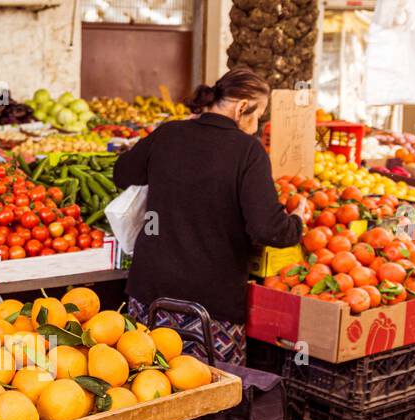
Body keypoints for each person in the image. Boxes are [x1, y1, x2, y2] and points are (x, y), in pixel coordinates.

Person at [112, 68, 308, 365]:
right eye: (259, 116)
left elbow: (122, 173)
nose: (256, 127)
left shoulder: (170, 133)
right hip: (208, 306)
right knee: (210, 392)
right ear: (242, 107)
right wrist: (296, 221)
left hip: (149, 293)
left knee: (146, 384)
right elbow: (267, 228)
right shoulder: (247, 151)